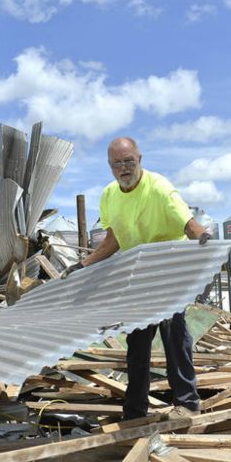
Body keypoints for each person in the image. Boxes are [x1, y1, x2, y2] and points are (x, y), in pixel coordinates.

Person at [67, 137, 211, 420]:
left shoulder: (159, 188)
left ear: (140, 160)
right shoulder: (110, 195)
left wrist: (205, 241)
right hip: (140, 277)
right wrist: (84, 264)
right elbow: (113, 240)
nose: (124, 168)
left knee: (174, 336)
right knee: (137, 345)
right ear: (110, 166)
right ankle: (134, 411)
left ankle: (188, 403)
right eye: (117, 163)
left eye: (128, 161)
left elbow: (189, 224)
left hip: (169, 273)